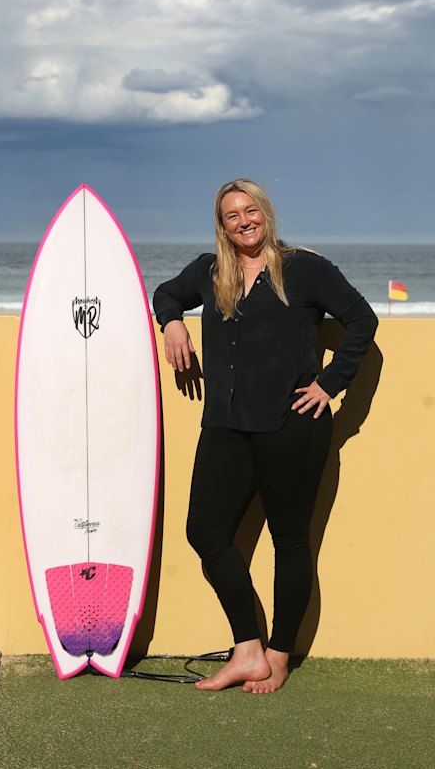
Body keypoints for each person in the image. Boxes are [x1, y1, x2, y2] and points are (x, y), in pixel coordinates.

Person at [153, 178, 378, 695]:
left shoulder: (304, 268)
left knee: (290, 542)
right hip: (226, 427)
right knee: (205, 532)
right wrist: (173, 323)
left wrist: (329, 383)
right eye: (232, 215)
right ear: (222, 225)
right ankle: (248, 648)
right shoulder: (211, 273)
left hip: (292, 426)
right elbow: (167, 293)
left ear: (265, 213)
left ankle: (278, 655)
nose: (243, 221)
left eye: (250, 210)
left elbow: (361, 319)